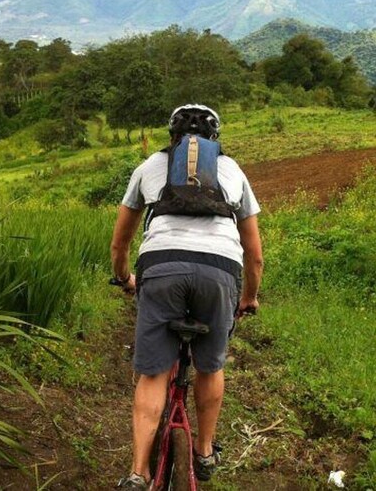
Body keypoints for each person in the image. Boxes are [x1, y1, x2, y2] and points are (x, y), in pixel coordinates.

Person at [110, 104, 263, 489]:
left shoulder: (148, 166)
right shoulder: (232, 171)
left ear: (171, 135)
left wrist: (123, 277)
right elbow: (254, 253)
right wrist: (248, 298)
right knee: (211, 367)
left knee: (152, 374)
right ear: (217, 137)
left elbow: (120, 242)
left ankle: (138, 472)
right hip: (220, 269)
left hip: (160, 266)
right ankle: (206, 451)